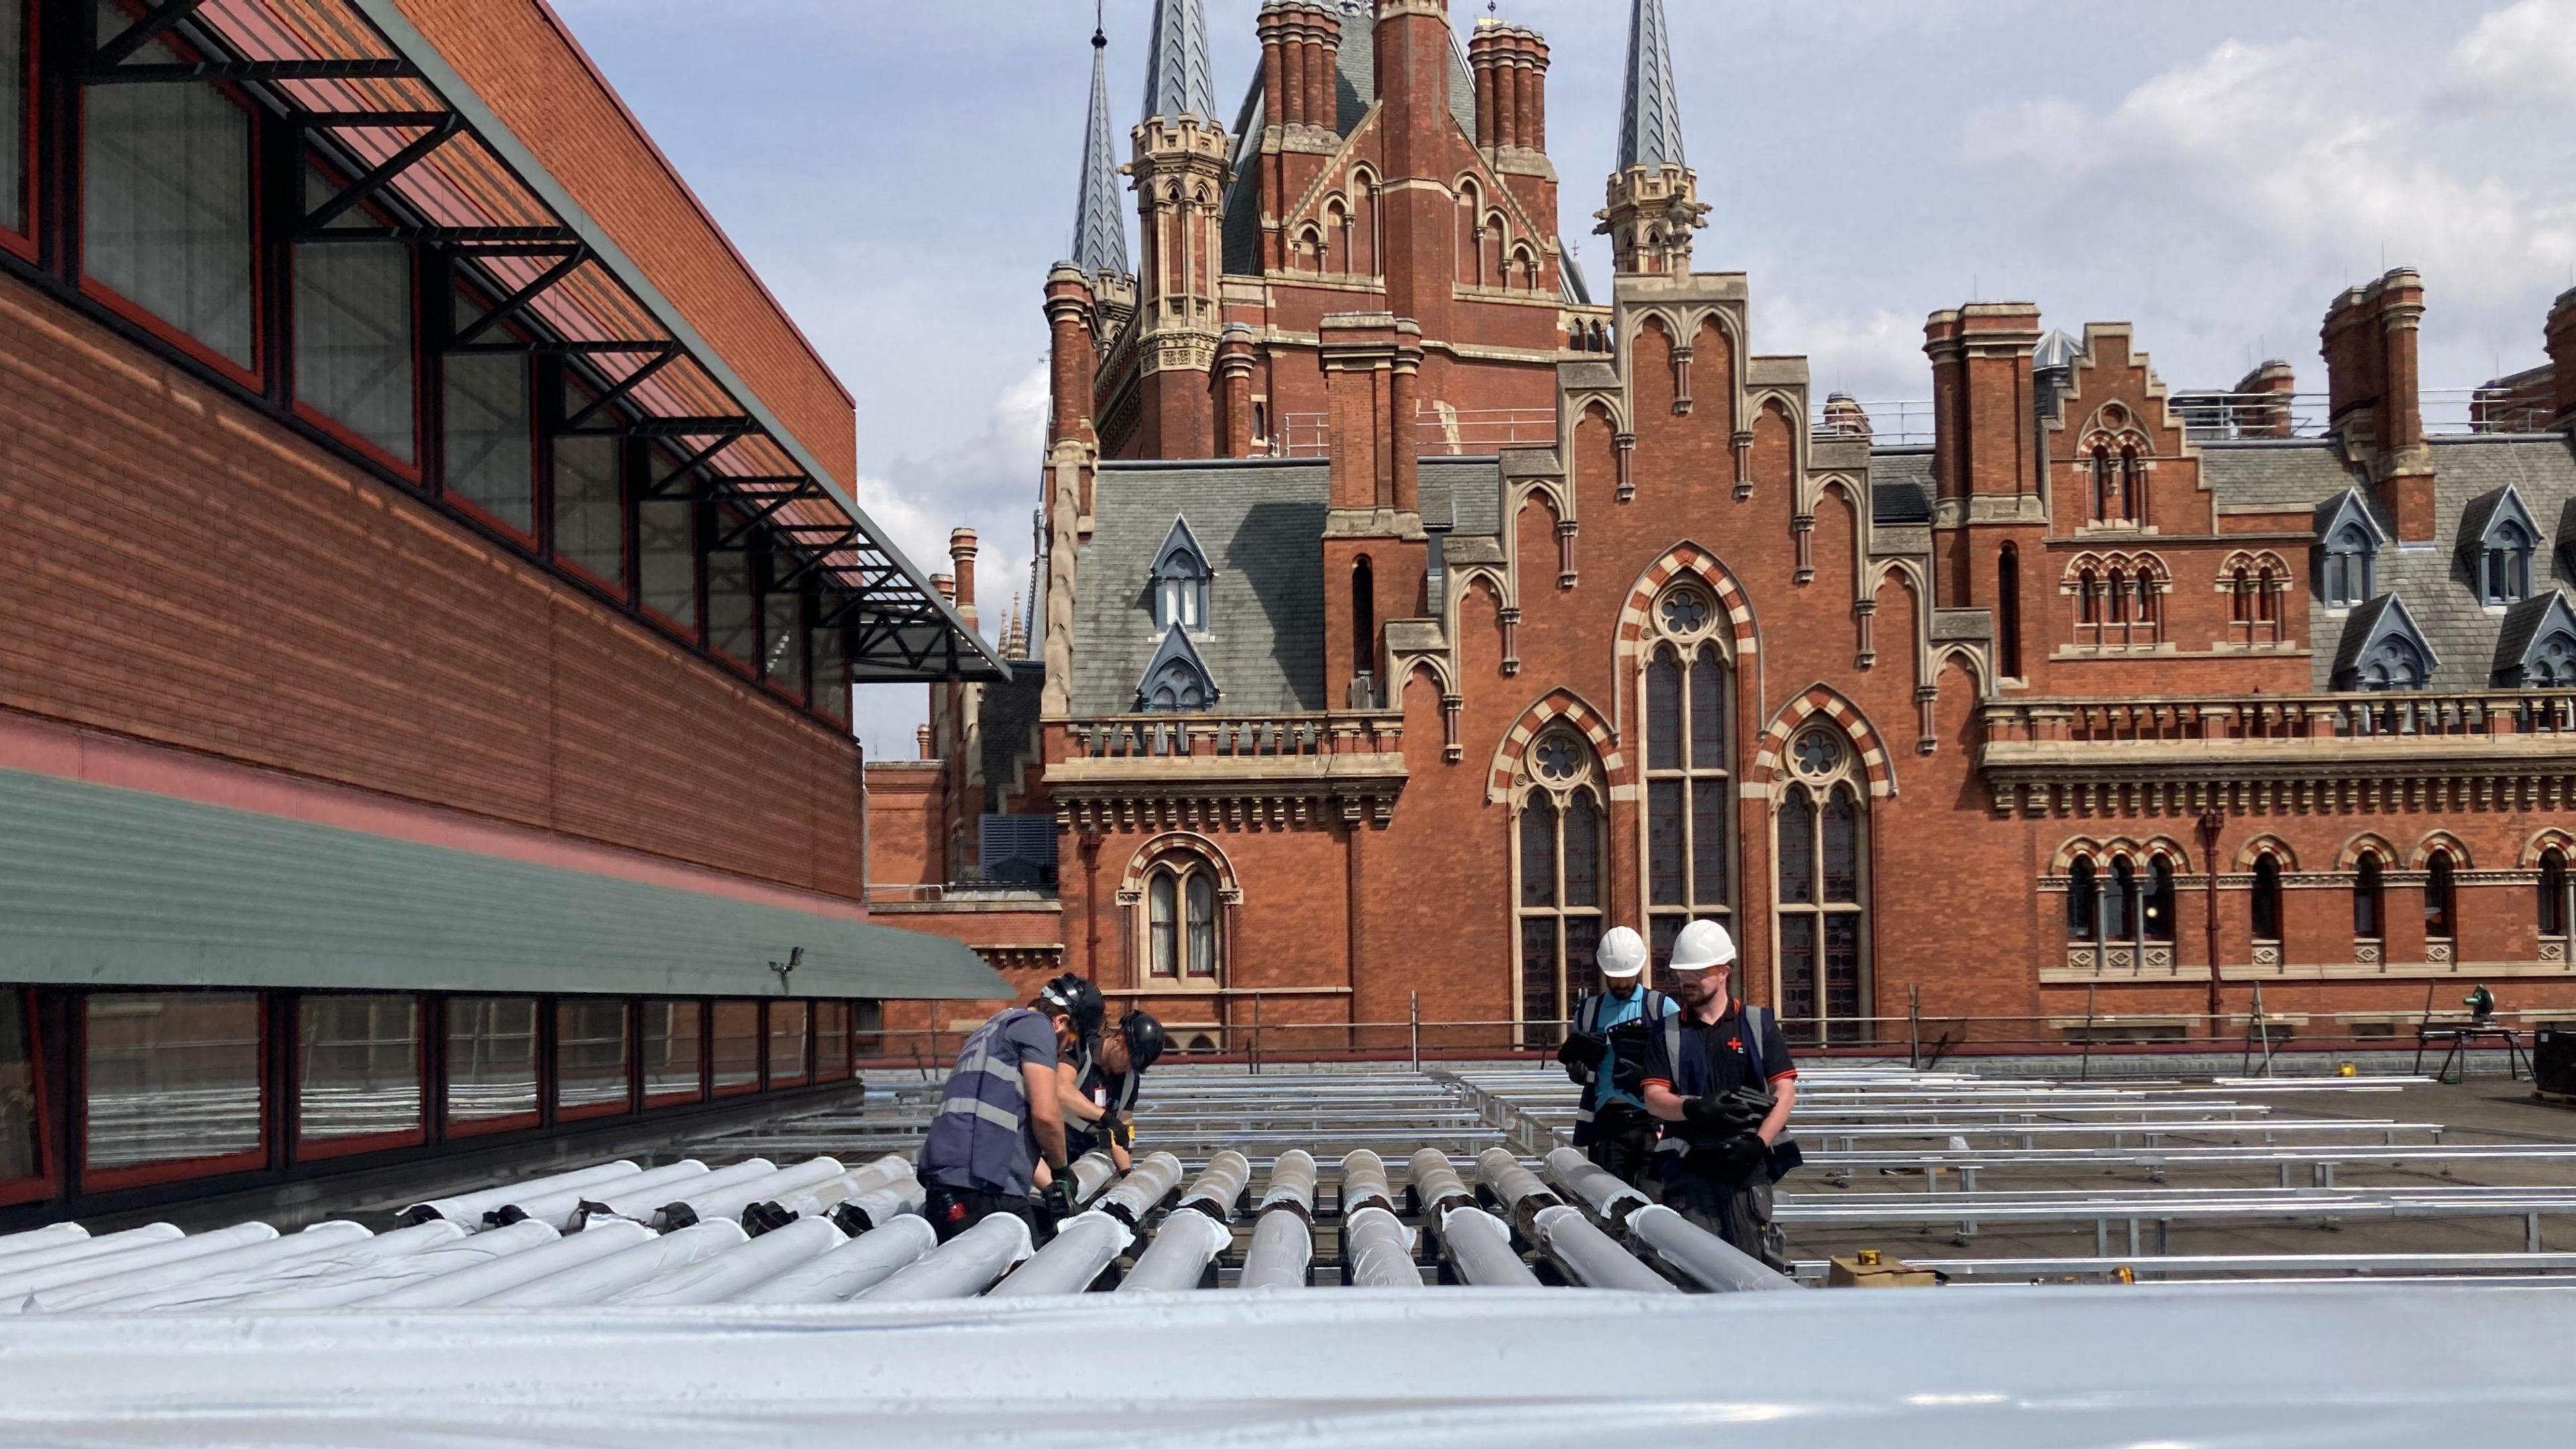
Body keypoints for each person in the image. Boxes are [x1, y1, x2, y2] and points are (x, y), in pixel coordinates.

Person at [1619, 920, 1799, 1267]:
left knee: (1753, 1270)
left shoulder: (1757, 1024)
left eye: (1698, 973)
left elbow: (1785, 1091)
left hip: (1747, 1172)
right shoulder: (1667, 1032)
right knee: (1696, 1271)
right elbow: (1654, 1096)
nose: (1687, 981)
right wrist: (1696, 1108)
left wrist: (1759, 1143)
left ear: (1723, 973)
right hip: (1691, 1174)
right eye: (1682, 973)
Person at [915, 980, 1085, 1242]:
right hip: (982, 1184)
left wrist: (1051, 1186)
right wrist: (1062, 1169)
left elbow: (1011, 1139)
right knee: (1027, 1271)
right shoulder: (1038, 1025)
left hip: (951, 1180)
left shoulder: (996, 1027)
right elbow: (1047, 1116)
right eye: (1070, 1043)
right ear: (1061, 1022)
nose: (1063, 1053)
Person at [1552, 926, 1675, 1186]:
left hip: (1651, 1122)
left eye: (1627, 977)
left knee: (1655, 1207)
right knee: (1610, 1203)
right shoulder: (1588, 1012)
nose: (1621, 983)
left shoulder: (1661, 1007)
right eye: (1615, 977)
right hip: (1607, 1123)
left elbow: (1684, 1065)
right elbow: (1580, 1059)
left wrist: (1651, 1076)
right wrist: (1577, 1070)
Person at [1063, 1010, 1167, 1171]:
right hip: (1052, 1152)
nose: (1128, 1068)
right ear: (1118, 1041)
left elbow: (1124, 1124)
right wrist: (1104, 1117)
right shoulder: (1079, 1052)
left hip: (1087, 1162)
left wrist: (1127, 1172)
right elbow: (1061, 1090)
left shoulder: (1130, 1078)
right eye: (1128, 1061)